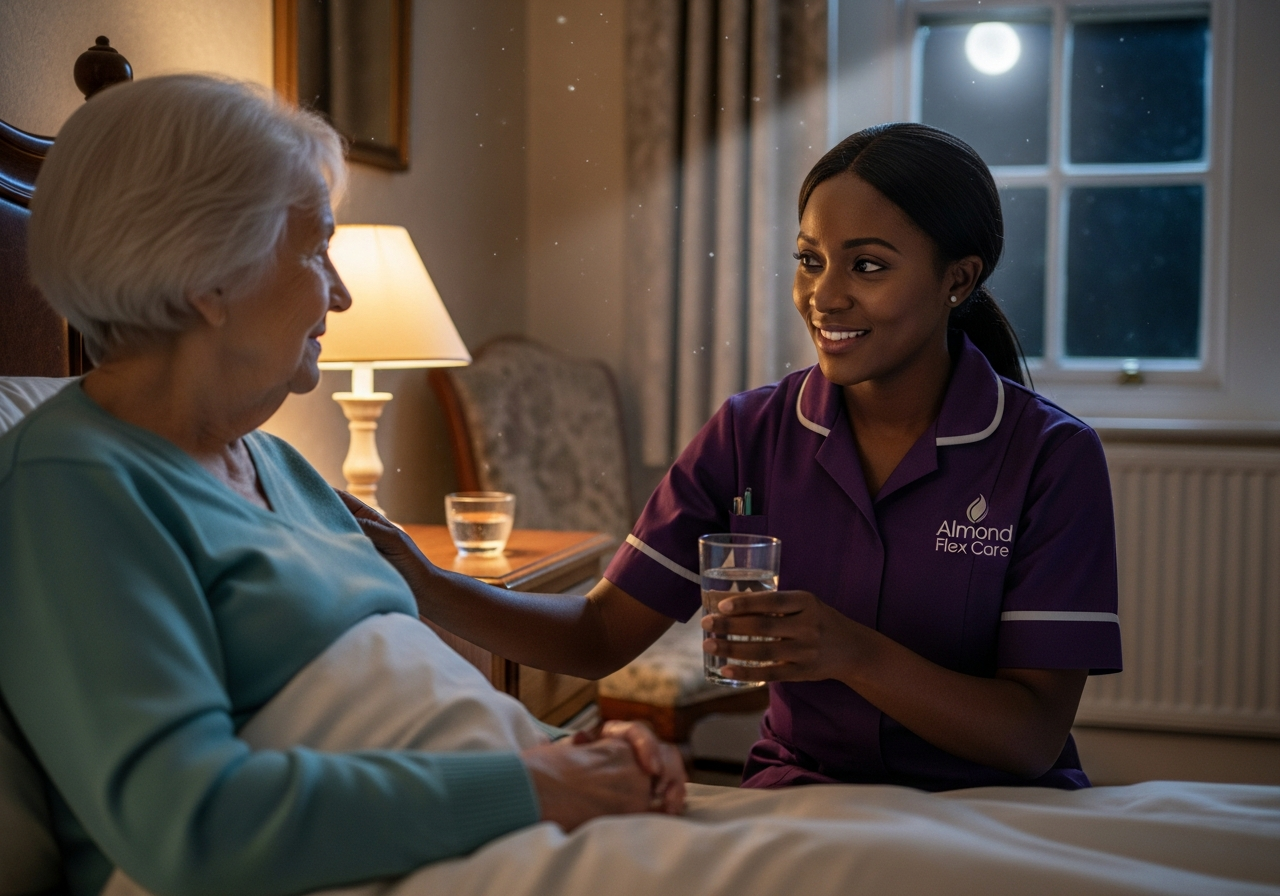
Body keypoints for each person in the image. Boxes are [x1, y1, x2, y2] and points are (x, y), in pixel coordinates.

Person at [0, 74, 684, 896]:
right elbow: (191, 826)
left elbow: (427, 703)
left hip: (496, 828)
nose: (343, 291)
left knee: (877, 835)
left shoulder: (278, 464)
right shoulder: (72, 485)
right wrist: (540, 784)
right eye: (317, 247)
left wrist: (578, 753)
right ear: (209, 277)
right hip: (401, 860)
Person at [353, 122, 1122, 794]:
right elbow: (597, 639)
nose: (825, 296)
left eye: (868, 265)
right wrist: (428, 586)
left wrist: (850, 651)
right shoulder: (750, 431)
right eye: (809, 260)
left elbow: (1028, 740)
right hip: (806, 797)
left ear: (959, 279)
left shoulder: (1052, 458)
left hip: (995, 808)